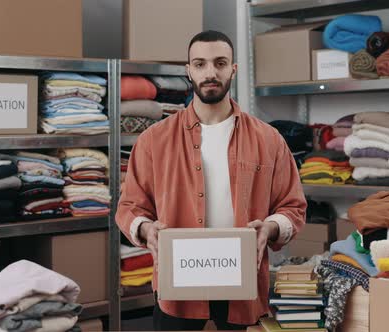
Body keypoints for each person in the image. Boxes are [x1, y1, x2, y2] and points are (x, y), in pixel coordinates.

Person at [116, 30, 306, 330]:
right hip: (178, 286)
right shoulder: (154, 140)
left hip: (242, 284)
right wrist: (146, 228)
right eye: (200, 64)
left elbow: (293, 207)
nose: (210, 72)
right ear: (188, 70)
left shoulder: (269, 140)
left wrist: (269, 228)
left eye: (220, 63)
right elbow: (129, 207)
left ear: (233, 68)